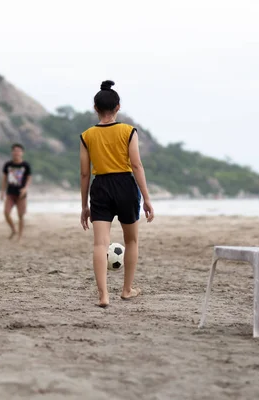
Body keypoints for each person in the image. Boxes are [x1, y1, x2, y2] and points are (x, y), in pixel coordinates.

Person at [79, 80, 155, 308]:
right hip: (125, 185)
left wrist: (84, 205)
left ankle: (103, 296)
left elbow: (84, 174)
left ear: (95, 108)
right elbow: (137, 165)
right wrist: (147, 198)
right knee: (131, 241)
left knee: (99, 245)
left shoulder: (87, 135)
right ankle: (126, 290)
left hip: (100, 186)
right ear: (118, 107)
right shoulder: (128, 131)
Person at [1, 143, 32, 241]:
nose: (16, 153)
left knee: (21, 215)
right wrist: (2, 191)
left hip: (21, 194)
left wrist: (25, 188)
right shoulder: (8, 165)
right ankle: (13, 229)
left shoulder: (25, 165)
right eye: (15, 151)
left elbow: (29, 178)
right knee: (6, 213)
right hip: (10, 193)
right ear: (12, 152)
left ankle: (20, 236)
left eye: (19, 151)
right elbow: (4, 179)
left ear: (22, 153)